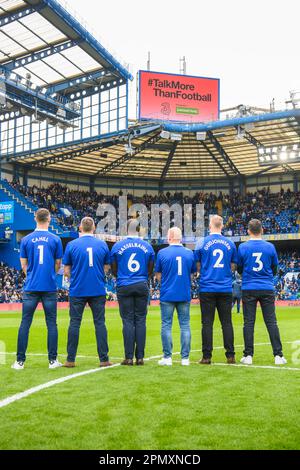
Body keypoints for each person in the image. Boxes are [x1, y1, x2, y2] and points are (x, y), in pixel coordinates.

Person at [12, 208, 63, 370]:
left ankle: (19, 361)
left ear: (35, 219)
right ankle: (52, 361)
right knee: (52, 324)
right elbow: (58, 264)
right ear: (49, 219)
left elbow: (23, 265)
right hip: (49, 286)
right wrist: (50, 275)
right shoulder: (55, 239)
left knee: (25, 323)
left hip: (31, 287)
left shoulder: (26, 240)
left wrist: (32, 275)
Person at [63, 217, 112, 368]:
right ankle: (104, 359)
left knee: (74, 323)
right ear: (94, 228)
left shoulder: (71, 245)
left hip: (77, 289)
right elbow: (107, 266)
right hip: (97, 289)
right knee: (100, 323)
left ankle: (70, 360)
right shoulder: (102, 244)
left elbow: (66, 271)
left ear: (80, 228)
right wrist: (98, 274)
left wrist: (76, 276)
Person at [237, 219, 287, 365]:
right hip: (266, 287)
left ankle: (248, 356)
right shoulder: (270, 247)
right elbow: (275, 268)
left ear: (248, 231)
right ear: (262, 230)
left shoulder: (243, 247)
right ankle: (278, 355)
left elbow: (239, 269)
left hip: (249, 288)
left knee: (248, 322)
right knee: (271, 322)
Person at [111, 219, 155, 365]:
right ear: (138, 229)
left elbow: (114, 268)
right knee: (141, 320)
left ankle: (129, 357)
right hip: (141, 284)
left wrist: (122, 277)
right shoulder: (147, 246)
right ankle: (140, 357)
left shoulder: (117, 246)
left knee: (128, 321)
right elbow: (150, 268)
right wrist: (142, 278)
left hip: (124, 285)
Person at [194, 215, 237, 364]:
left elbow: (197, 264)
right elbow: (233, 265)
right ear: (222, 226)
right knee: (227, 322)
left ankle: (206, 357)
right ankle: (230, 355)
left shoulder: (201, 242)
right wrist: (226, 273)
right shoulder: (230, 243)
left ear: (210, 226)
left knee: (207, 323)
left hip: (207, 287)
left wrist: (203, 272)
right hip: (225, 287)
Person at [155, 227, 196, 366]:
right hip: (184, 293)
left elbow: (158, 275)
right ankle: (185, 358)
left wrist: (167, 282)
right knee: (185, 325)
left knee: (166, 325)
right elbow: (192, 274)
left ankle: (167, 357)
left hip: (167, 294)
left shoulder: (162, 253)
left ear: (171, 237)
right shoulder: (189, 253)